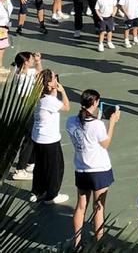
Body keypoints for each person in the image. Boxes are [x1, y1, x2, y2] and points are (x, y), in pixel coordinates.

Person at [66, 89, 120, 250]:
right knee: (99, 207)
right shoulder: (97, 125)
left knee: (80, 206)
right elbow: (105, 144)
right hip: (99, 170)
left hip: (81, 169)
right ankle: (99, 242)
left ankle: (76, 243)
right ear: (95, 103)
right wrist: (112, 123)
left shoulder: (70, 121)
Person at [30, 68, 70, 205]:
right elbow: (66, 107)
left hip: (38, 137)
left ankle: (37, 191)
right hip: (49, 139)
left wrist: (53, 90)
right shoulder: (49, 101)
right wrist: (62, 91)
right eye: (54, 78)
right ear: (49, 83)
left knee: (40, 166)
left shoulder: (39, 96)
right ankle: (52, 195)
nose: (56, 79)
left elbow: (52, 99)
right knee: (56, 167)